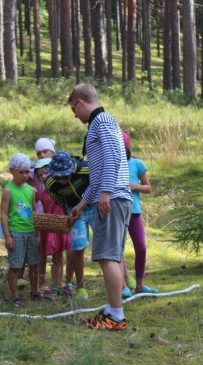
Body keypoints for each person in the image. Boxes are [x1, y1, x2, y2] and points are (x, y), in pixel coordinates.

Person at [67, 83, 133, 331]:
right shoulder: (100, 122)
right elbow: (97, 176)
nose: (75, 116)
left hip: (112, 198)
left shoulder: (102, 121)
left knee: (107, 256)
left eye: (73, 110)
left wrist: (106, 192)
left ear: (80, 102)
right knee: (109, 256)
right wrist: (82, 203)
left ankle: (115, 317)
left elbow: (114, 156)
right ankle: (111, 309)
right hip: (112, 196)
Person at [45, 151, 93, 300]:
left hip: (94, 206)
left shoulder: (86, 169)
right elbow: (59, 201)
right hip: (74, 211)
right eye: (57, 177)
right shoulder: (51, 184)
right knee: (77, 247)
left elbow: (98, 183)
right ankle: (81, 286)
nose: (62, 181)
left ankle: (119, 281)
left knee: (106, 244)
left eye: (65, 176)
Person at [120, 131, 159, 298]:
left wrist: (135, 186)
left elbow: (148, 187)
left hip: (134, 211)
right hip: (117, 212)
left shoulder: (137, 164)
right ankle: (122, 286)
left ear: (127, 148)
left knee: (141, 248)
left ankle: (140, 285)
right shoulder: (111, 165)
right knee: (117, 249)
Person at [0, 153, 41, 306]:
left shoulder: (31, 190)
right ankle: (15, 296)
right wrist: (7, 236)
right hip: (16, 232)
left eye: (27, 172)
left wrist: (37, 233)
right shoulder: (8, 190)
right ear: (12, 171)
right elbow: (4, 214)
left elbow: (34, 212)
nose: (24, 175)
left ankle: (35, 291)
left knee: (34, 264)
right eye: (21, 172)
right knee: (16, 265)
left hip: (30, 231)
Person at [34, 158, 72, 295]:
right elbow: (38, 209)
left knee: (59, 256)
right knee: (44, 255)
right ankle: (42, 281)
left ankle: (58, 281)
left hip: (61, 226)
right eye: (40, 175)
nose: (43, 177)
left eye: (46, 173)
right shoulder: (41, 194)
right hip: (48, 227)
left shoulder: (61, 190)